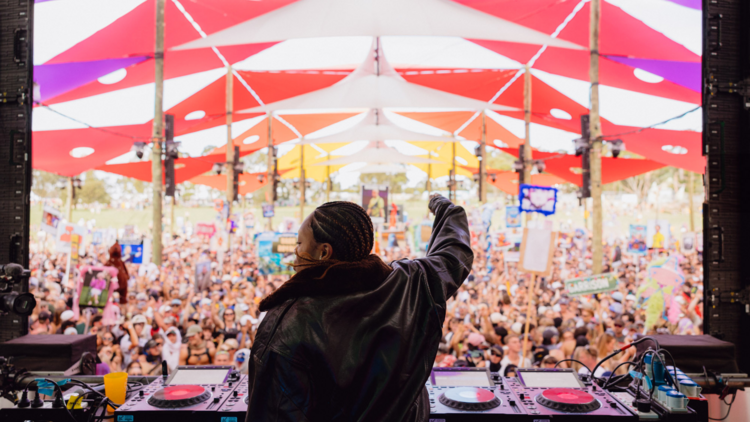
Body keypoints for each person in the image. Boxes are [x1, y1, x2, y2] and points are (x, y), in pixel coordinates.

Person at [245, 195, 472, 422]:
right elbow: (452, 255)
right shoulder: (411, 283)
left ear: (324, 252)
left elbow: (273, 413)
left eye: (299, 243)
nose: (295, 252)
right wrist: (447, 211)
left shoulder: (288, 322)